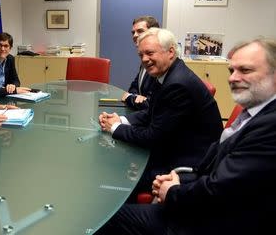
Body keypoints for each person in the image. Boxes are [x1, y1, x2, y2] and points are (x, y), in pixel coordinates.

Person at [96, 37, 276, 235]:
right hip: (198, 184)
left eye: (246, 70)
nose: (233, 78)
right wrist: (181, 180)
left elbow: (219, 190)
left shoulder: (270, 126)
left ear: (170, 52)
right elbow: (222, 173)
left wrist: (173, 191)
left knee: (108, 216)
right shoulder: (255, 112)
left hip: (211, 221)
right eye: (231, 70)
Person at [99, 27, 223, 202]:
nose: (144, 59)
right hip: (175, 147)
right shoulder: (168, 73)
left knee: (113, 176)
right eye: (141, 55)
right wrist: (121, 119)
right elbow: (152, 112)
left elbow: (153, 136)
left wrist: (116, 128)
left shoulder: (177, 84)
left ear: (170, 52)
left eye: (149, 53)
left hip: (186, 163)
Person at [121, 16, 160, 110]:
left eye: (140, 31)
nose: (134, 35)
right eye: (133, 32)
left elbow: (149, 104)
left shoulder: (159, 61)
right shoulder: (145, 57)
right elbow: (134, 86)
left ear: (153, 33)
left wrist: (129, 98)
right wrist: (136, 96)